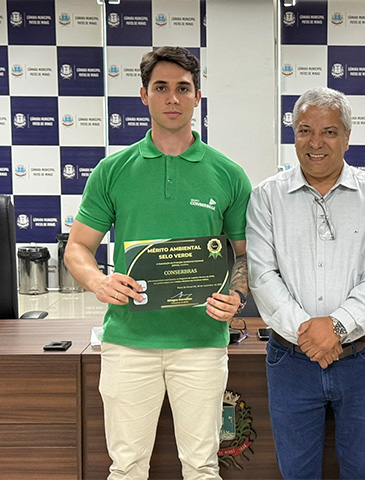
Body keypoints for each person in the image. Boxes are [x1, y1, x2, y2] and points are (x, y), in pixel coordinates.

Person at [64, 46, 252, 480]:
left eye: (183, 89)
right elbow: (77, 249)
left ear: (197, 96)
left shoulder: (228, 174)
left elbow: (244, 255)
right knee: (127, 468)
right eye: (161, 88)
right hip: (128, 341)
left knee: (202, 467)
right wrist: (99, 282)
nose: (172, 98)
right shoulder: (113, 171)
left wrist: (236, 294)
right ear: (143, 95)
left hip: (201, 342)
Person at [246, 87, 365, 479]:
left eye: (329, 132)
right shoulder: (267, 197)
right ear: (294, 135)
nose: (315, 142)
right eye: (305, 131)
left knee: (364, 473)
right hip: (291, 361)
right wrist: (310, 334)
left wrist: (335, 327)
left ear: (347, 137)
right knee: (296, 474)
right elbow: (262, 276)